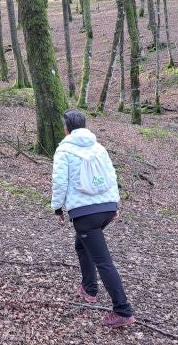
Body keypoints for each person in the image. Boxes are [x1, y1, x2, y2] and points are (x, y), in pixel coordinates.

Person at [51, 109, 135, 328]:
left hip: (85, 213)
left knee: (103, 261)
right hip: (105, 208)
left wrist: (57, 208)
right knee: (82, 245)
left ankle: (122, 310)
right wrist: (115, 204)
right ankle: (89, 289)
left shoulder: (64, 150)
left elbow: (60, 182)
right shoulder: (99, 147)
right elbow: (112, 175)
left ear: (66, 127)